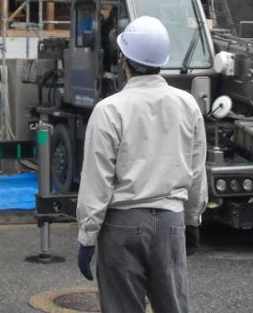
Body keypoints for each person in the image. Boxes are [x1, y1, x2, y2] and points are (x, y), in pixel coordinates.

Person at [75, 15, 208, 313]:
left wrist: (87, 235)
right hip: (171, 223)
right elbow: (197, 171)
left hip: (121, 224)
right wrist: (192, 219)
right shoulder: (187, 105)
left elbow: (97, 180)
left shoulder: (109, 110)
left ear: (123, 58)